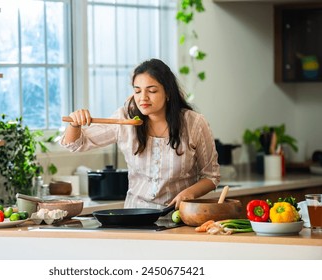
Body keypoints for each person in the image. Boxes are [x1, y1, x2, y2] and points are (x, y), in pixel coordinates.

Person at [61, 58, 220, 210]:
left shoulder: (194, 123)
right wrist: (74, 124)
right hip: (136, 217)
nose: (143, 98)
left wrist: (189, 193)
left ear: (168, 93)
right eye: (137, 91)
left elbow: (211, 176)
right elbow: (76, 144)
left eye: (152, 91)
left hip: (179, 217)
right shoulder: (125, 120)